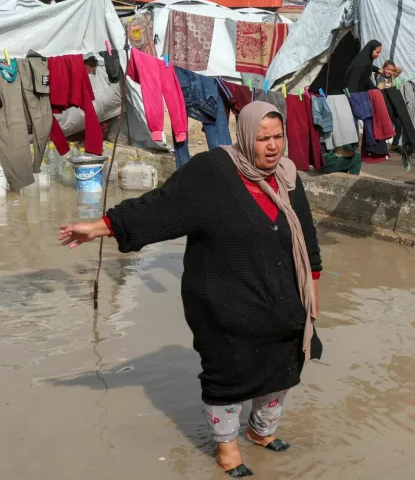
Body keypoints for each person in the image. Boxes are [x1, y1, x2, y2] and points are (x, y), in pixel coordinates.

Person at [58, 102, 322, 478]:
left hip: (281, 299)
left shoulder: (289, 177)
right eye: (262, 138)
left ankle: (261, 432)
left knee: (282, 367)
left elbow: (307, 238)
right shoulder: (212, 172)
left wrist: (312, 289)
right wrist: (100, 226)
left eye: (278, 137)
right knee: (229, 374)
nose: (272, 146)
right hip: (224, 300)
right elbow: (159, 209)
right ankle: (227, 449)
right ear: (245, 136)